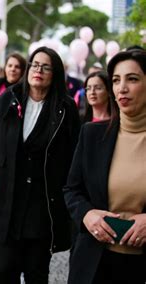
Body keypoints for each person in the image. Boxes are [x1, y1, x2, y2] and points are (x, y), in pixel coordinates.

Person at [0, 46, 80, 284]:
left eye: (45, 66)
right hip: (7, 199)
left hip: (42, 204)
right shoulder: (8, 100)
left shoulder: (66, 108)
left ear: (55, 73)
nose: (38, 70)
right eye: (34, 65)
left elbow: (73, 158)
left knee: (36, 271)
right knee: (5, 266)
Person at [64, 49, 146, 284]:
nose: (122, 88)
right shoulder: (92, 134)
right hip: (94, 265)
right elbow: (72, 190)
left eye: (132, 79)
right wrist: (87, 215)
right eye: (117, 80)